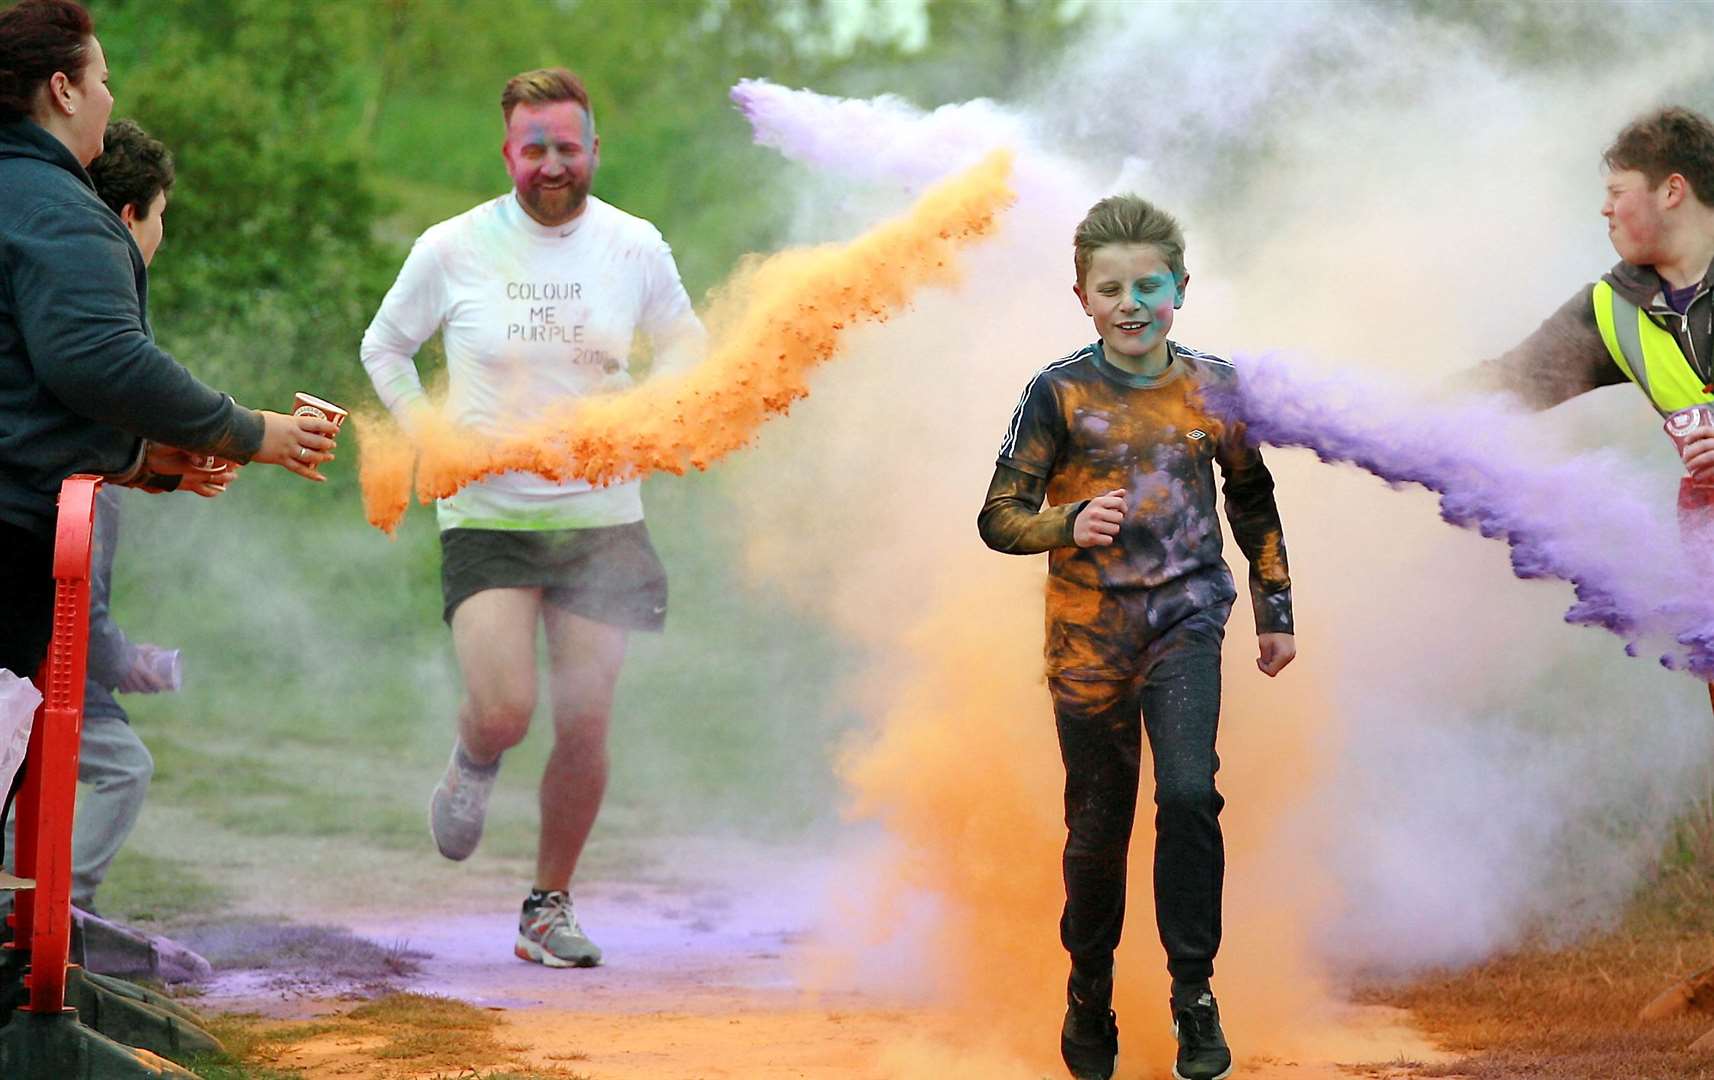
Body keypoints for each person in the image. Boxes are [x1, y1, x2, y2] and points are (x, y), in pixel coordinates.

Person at [360, 66, 705, 969]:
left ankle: (547, 906)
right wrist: (426, 432)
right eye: (534, 149)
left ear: (595, 148)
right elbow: (385, 346)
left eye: (568, 147)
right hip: (487, 514)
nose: (553, 166)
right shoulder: (454, 246)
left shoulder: (634, 246)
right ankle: (474, 761)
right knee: (508, 707)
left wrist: (643, 419)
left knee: (585, 719)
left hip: (603, 518)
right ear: (508, 152)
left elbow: (686, 347)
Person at [978, 195, 1296, 1080]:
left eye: (1147, 286)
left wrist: (1274, 609)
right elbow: (997, 517)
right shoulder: (1057, 392)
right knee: (1098, 825)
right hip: (1088, 639)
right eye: (1110, 287)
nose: (1130, 303)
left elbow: (1252, 494)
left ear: (1180, 290)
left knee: (1190, 796)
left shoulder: (1212, 385)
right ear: (1082, 296)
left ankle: (1194, 997)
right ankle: (1089, 991)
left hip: (1188, 618)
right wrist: (1067, 523)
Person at [0, 0, 339, 690]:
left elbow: (22, 392)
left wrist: (141, 459)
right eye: (100, 79)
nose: (109, 96)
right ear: (63, 91)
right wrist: (251, 431)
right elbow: (101, 364)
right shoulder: (62, 212)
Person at [1473, 105, 1714, 1041]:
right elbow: (1512, 380)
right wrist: (1353, 403)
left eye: (1616, 195)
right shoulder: (1615, 305)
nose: (1605, 214)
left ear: (1672, 188)